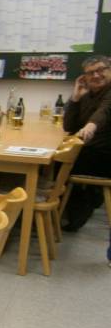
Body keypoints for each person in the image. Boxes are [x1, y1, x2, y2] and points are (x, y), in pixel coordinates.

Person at [61, 55, 111, 231]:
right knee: (59, 159)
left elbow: (105, 110)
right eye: (90, 73)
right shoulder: (87, 95)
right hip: (89, 151)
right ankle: (58, 210)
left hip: (104, 155)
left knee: (58, 162)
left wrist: (91, 125)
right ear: (84, 77)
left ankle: (71, 214)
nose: (96, 75)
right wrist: (75, 98)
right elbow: (68, 126)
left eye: (101, 70)